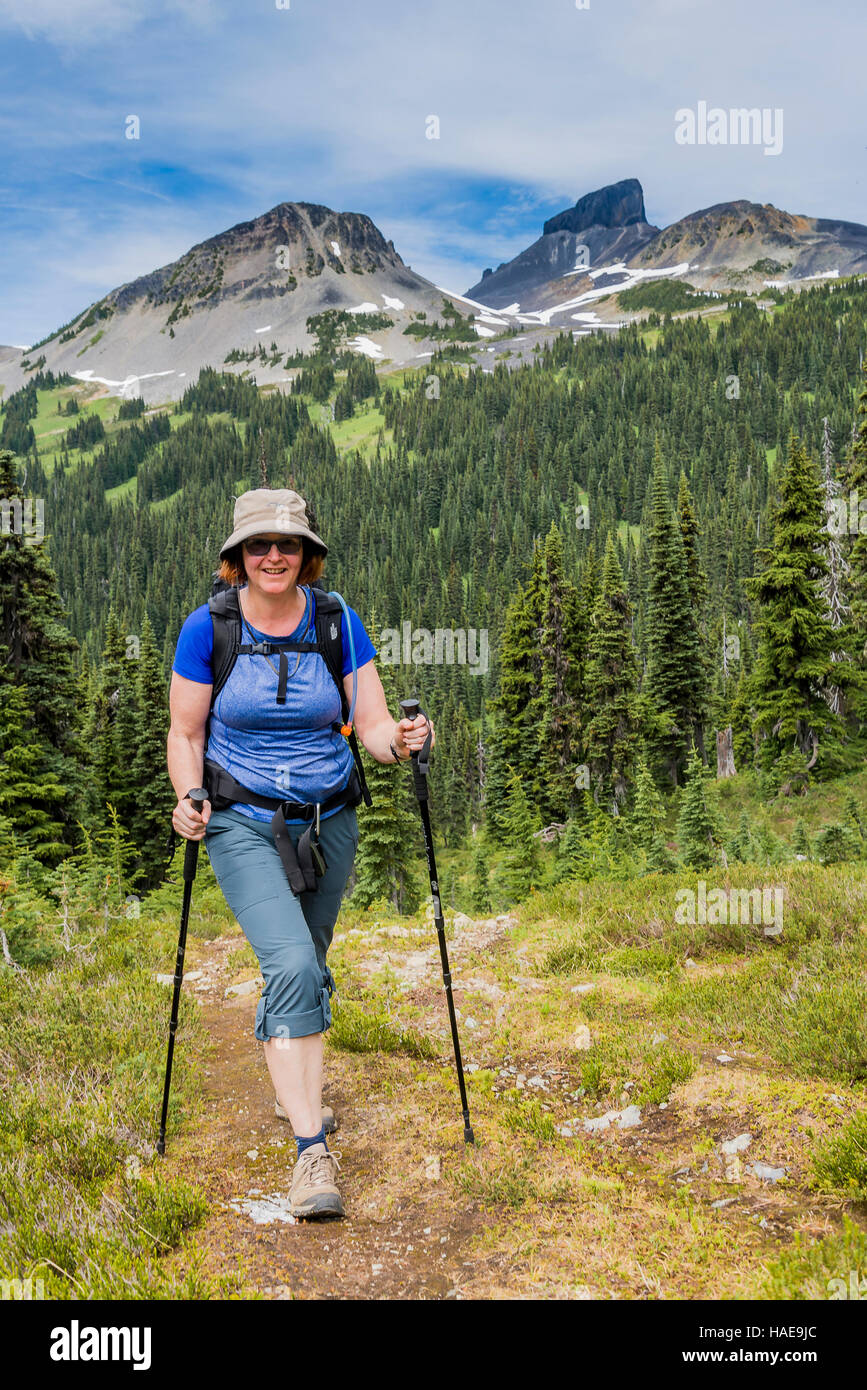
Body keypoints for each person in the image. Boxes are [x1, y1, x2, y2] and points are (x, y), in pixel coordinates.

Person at [167, 488, 434, 1219]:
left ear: (306, 553)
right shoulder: (208, 627)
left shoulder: (335, 619)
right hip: (241, 821)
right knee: (287, 965)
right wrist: (189, 796)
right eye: (258, 546)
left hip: (329, 818)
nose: (273, 556)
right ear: (237, 558)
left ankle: (295, 1094)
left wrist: (404, 742)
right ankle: (311, 1153)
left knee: (309, 967)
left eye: (286, 544)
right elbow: (186, 733)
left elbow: (371, 723)